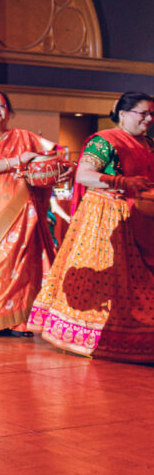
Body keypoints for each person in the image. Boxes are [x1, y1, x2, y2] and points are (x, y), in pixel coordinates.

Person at [29, 92, 154, 361]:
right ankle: (95, 333)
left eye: (151, 114)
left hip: (142, 216)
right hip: (106, 218)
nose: (149, 119)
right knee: (109, 282)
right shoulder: (105, 140)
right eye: (142, 113)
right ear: (123, 113)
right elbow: (84, 175)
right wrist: (122, 182)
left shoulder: (148, 144)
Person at [0, 90, 68, 336]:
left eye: (1, 105)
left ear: (8, 110)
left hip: (22, 211)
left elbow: (57, 154)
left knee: (20, 264)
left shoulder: (23, 137)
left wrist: (60, 169)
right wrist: (20, 160)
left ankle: (17, 320)